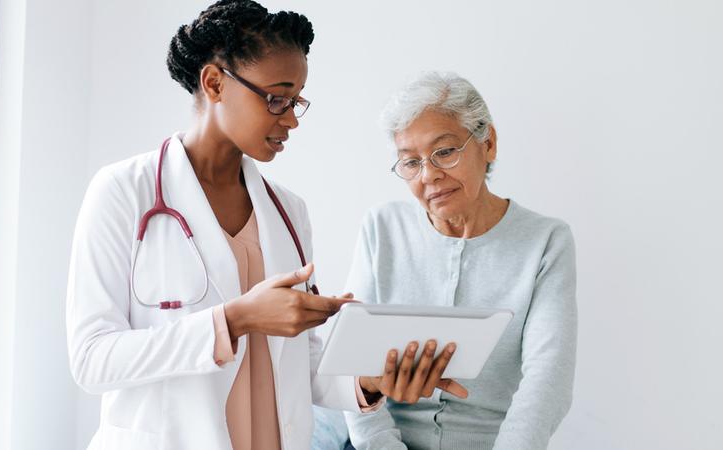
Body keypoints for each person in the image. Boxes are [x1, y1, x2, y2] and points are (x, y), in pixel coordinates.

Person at [66, 3, 458, 449]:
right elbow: (92, 359)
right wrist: (234, 320)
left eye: (297, 102)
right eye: (276, 98)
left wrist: (370, 381)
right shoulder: (122, 193)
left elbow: (298, 365)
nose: (290, 119)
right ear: (214, 83)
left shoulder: (289, 212)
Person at [344, 71, 578, 450]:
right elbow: (351, 365)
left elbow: (548, 379)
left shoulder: (546, 241)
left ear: (489, 143)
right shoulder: (381, 228)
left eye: (445, 152)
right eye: (411, 163)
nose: (430, 176)